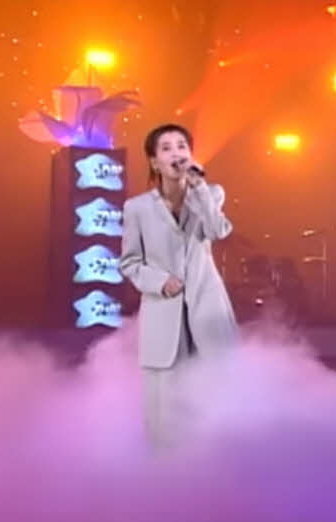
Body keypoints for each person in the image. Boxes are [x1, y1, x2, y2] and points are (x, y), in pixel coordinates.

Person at [119, 123, 239, 449]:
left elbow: (217, 231)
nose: (177, 154)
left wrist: (198, 188)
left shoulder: (210, 194)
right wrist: (159, 282)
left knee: (214, 400)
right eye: (167, 148)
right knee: (164, 413)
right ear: (154, 162)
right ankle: (164, 473)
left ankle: (217, 468)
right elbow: (129, 262)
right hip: (163, 313)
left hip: (206, 308)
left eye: (182, 146)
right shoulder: (137, 208)